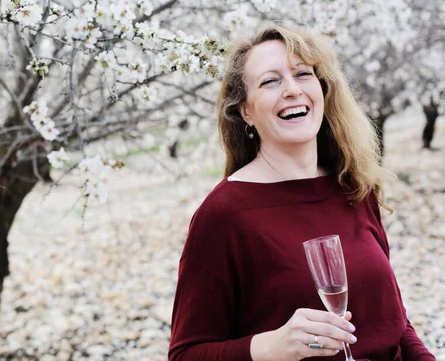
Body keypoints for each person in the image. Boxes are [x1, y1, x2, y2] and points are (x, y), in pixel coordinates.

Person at [168, 25, 436, 361]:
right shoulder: (223, 215)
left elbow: (394, 322)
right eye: (270, 81)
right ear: (245, 111)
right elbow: (186, 354)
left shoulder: (354, 186)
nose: (293, 90)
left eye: (302, 74)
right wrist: (272, 346)